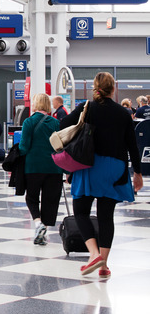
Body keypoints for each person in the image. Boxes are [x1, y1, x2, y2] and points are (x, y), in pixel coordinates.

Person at [60, 72, 143, 278]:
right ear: (113, 89)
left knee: (81, 211)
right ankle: (104, 266)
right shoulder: (124, 113)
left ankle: (94, 253)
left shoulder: (86, 108)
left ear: (94, 88)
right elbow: (133, 145)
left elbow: (62, 126)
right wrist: (138, 174)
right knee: (106, 216)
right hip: (115, 168)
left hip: (89, 165)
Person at [18, 93, 62, 245]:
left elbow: (24, 147)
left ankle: (38, 224)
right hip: (54, 167)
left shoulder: (29, 122)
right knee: (50, 199)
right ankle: (44, 231)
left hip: (33, 166)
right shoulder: (56, 123)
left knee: (32, 197)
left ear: (35, 104)